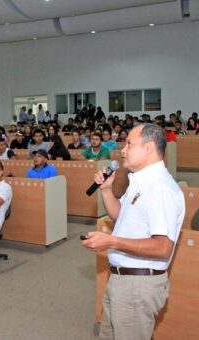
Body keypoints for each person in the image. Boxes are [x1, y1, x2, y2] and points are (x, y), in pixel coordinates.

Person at [82, 124, 185, 340]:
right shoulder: (140, 182)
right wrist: (107, 190)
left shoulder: (160, 188)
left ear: (149, 148)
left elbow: (162, 247)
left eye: (129, 143)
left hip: (137, 286)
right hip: (122, 279)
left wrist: (111, 242)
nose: (123, 149)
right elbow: (121, 217)